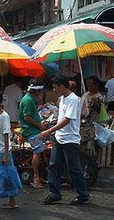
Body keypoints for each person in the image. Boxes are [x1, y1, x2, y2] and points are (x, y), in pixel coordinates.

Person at [39, 75, 90, 206]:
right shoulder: (62, 98)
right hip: (59, 137)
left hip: (70, 139)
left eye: (55, 87)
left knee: (74, 168)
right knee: (54, 165)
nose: (54, 90)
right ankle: (54, 194)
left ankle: (83, 194)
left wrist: (48, 131)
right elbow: (62, 118)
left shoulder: (73, 100)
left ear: (62, 86)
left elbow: (67, 120)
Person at [18, 79, 46, 189]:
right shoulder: (28, 100)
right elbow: (27, 117)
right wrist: (39, 126)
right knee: (38, 151)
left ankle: (40, 175)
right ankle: (36, 178)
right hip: (31, 131)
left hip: (33, 128)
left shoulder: (29, 99)